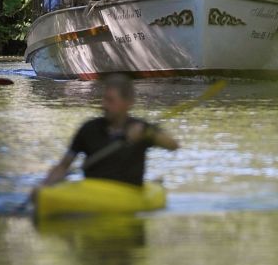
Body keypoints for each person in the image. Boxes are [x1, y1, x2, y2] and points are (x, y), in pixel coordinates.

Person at [38, 74, 179, 188]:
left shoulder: (141, 128)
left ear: (128, 102)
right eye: (104, 99)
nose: (104, 105)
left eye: (110, 100)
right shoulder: (88, 129)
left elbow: (173, 145)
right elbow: (63, 166)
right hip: (93, 194)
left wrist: (148, 133)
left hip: (128, 195)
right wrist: (44, 187)